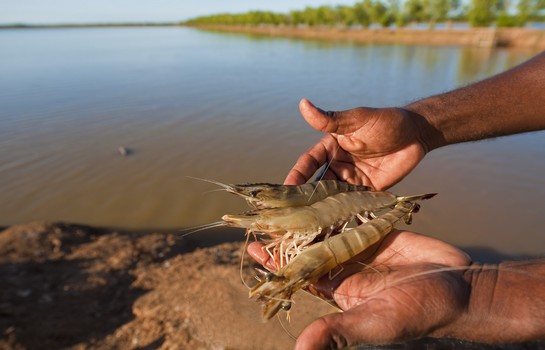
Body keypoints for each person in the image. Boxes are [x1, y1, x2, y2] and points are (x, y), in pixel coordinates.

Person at [248, 51, 545, 349]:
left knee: (295, 258)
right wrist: (419, 126)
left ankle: (399, 206)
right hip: (348, 211)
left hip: (355, 210)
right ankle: (399, 205)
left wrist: (475, 294)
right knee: (295, 260)